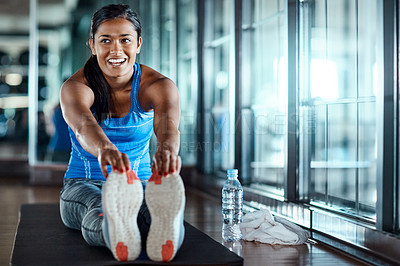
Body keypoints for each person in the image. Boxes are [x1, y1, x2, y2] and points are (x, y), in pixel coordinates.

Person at [59, 4, 185, 262]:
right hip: (84, 182)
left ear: (138, 43)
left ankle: (167, 224)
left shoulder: (158, 85)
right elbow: (84, 126)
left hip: (139, 183)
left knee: (151, 212)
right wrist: (105, 149)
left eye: (125, 40)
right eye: (105, 41)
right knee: (100, 207)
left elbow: (168, 126)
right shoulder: (76, 87)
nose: (116, 50)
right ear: (92, 45)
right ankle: (116, 229)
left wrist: (167, 150)